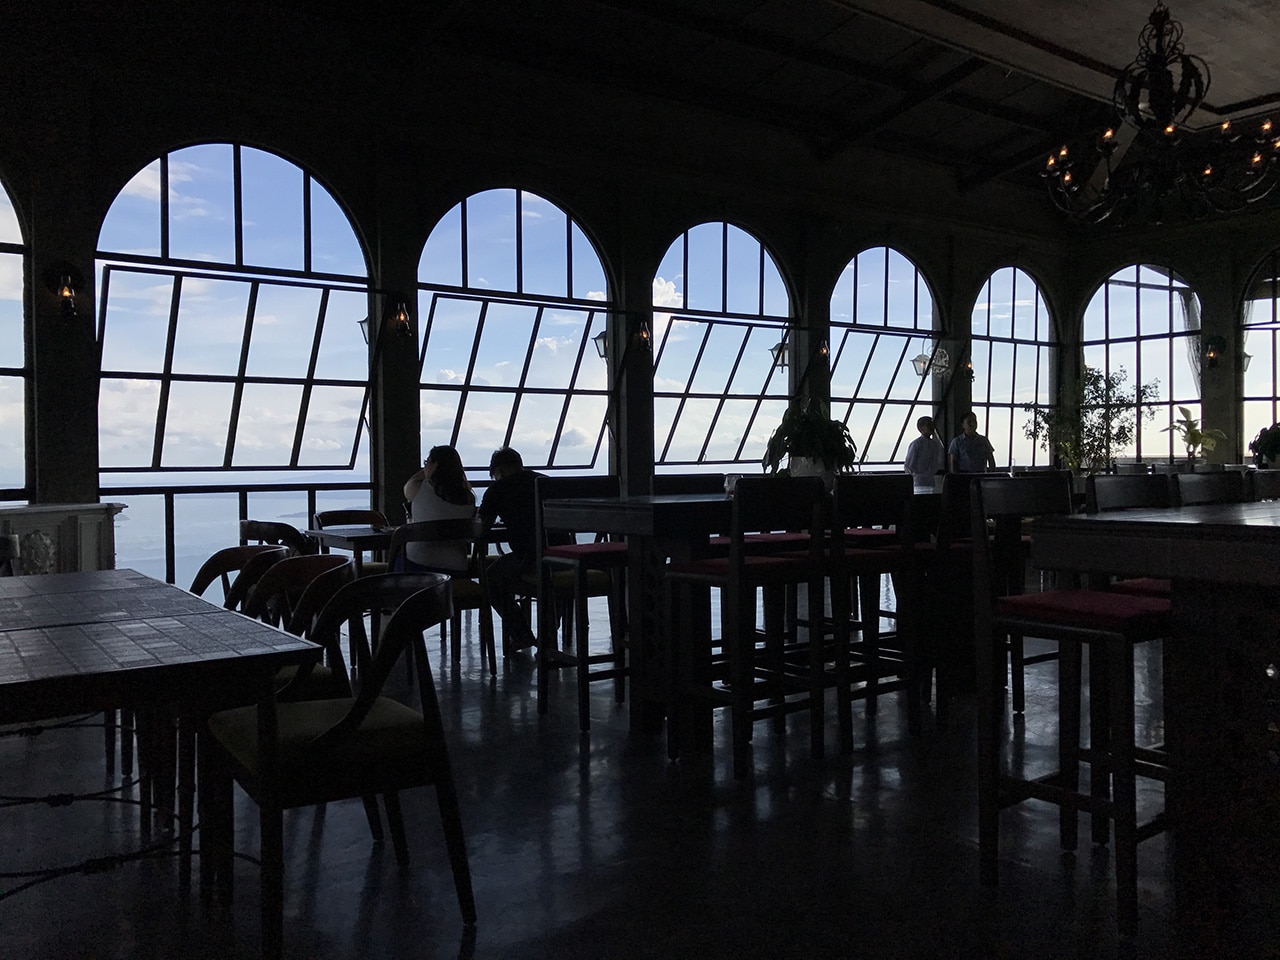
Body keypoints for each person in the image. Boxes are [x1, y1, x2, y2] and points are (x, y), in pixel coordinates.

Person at [477, 446, 546, 650]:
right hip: (564, 555)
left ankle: (521, 633)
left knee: (490, 579)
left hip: (529, 558)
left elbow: (481, 528)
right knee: (546, 584)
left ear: (498, 471)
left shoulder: (498, 489)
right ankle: (549, 632)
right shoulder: (545, 482)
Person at [401, 444, 476, 572]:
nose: (425, 466)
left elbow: (409, 485)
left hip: (420, 566)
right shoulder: (469, 498)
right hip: (456, 567)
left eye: (426, 462)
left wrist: (427, 471)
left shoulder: (419, 488)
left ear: (435, 465)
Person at [903, 415, 946, 490]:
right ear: (921, 428)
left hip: (930, 480)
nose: (932, 427)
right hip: (918, 481)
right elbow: (908, 465)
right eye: (928, 425)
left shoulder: (934, 444)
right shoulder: (916, 444)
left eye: (932, 424)